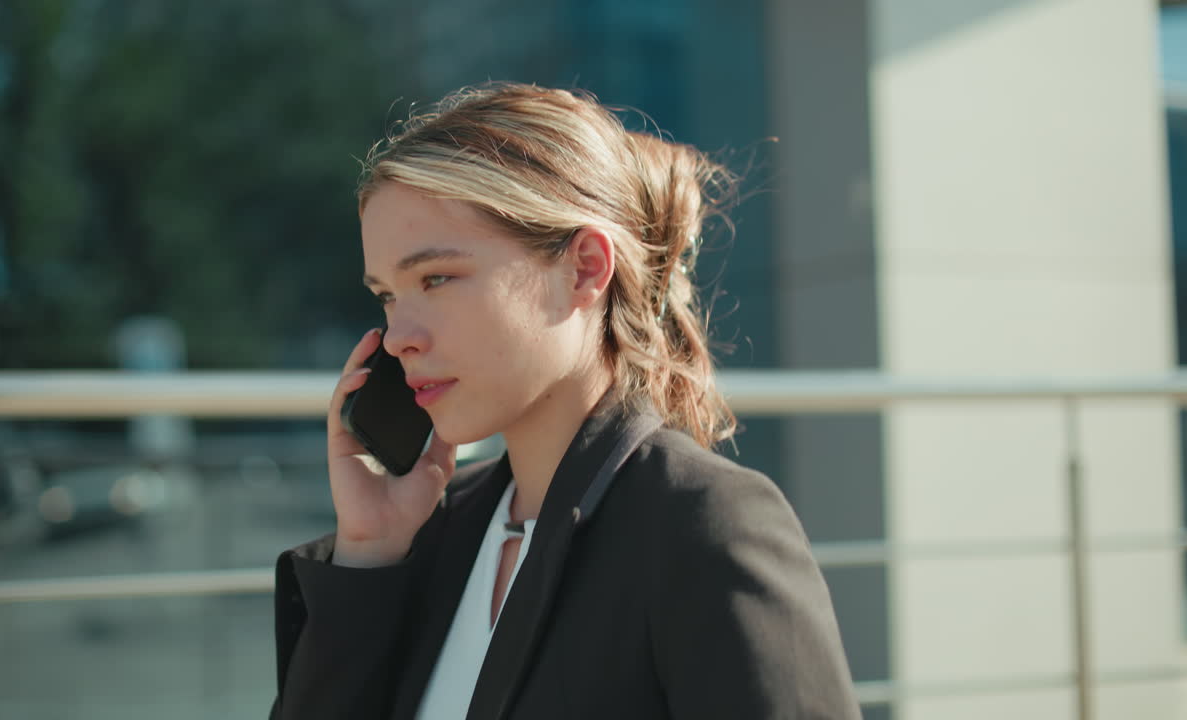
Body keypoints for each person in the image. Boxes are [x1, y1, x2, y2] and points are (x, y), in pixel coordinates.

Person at [269, 82, 861, 720]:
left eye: (436, 278)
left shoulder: (703, 526)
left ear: (584, 268)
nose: (400, 337)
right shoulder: (431, 534)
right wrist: (370, 551)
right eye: (387, 295)